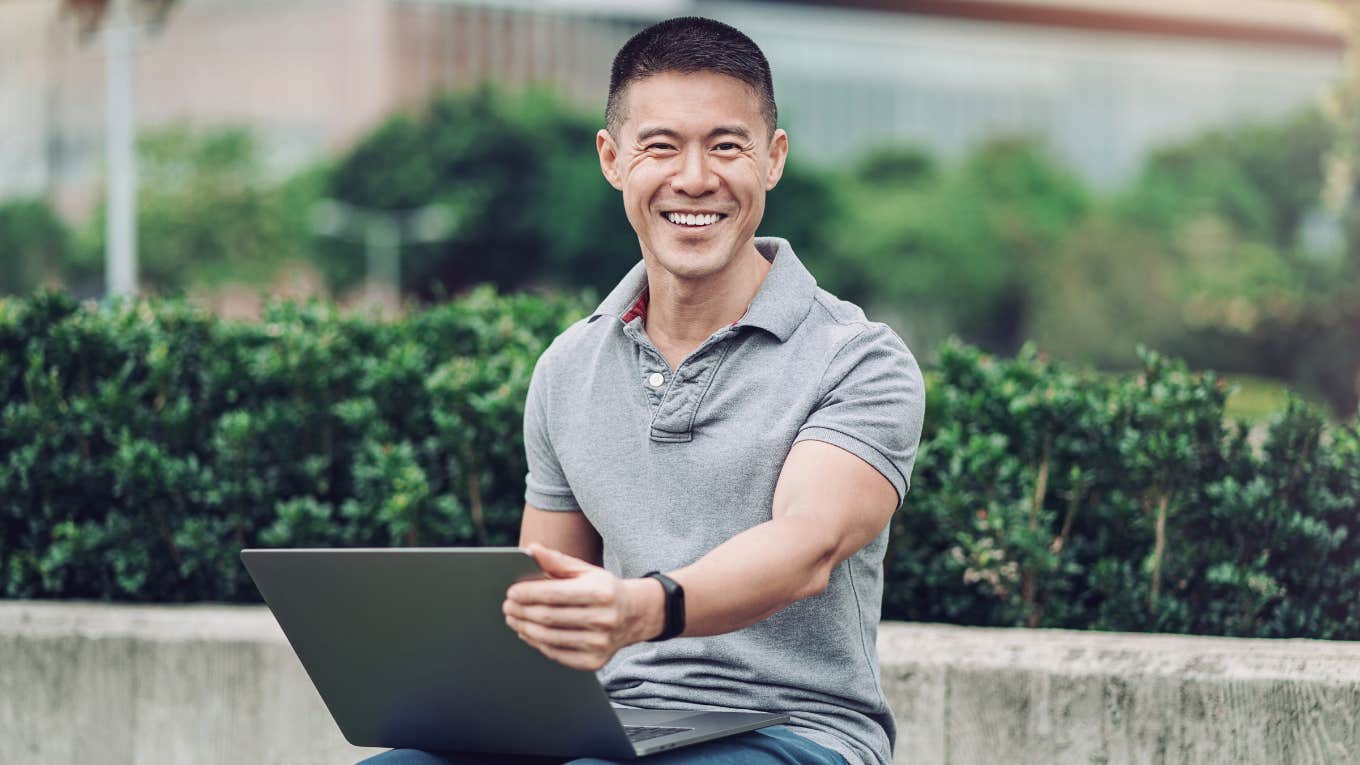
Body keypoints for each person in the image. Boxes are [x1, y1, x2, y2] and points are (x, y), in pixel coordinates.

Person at [363, 16, 925, 765]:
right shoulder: (568, 367)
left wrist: (644, 607)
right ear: (613, 159)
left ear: (773, 159)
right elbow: (545, 595)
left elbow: (806, 547)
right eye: (661, 146)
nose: (694, 179)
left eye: (726, 146)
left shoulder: (857, 360)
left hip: (794, 731)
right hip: (615, 726)